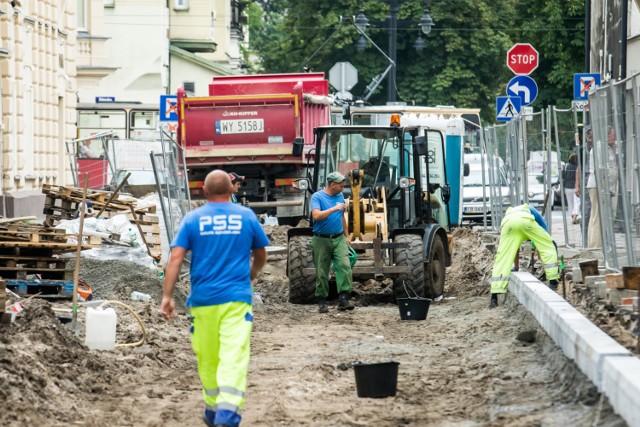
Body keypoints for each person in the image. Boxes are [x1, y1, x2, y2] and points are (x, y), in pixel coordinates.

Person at [160, 170, 269, 427]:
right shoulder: (246, 217)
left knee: (208, 357)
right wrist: (251, 274)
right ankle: (226, 414)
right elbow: (261, 254)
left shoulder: (192, 219)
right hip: (236, 300)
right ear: (232, 189)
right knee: (233, 355)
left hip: (202, 301)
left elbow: (175, 259)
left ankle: (214, 409)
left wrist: (167, 296)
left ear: (204, 192)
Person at [489, 203, 559, 308]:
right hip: (525, 221)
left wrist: (516, 267)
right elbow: (543, 241)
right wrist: (542, 257)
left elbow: (514, 248)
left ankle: (494, 296)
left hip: (508, 223)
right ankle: (553, 281)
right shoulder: (538, 218)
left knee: (502, 257)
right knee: (548, 246)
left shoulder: (514, 211)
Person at [310, 171, 354, 313]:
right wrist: (333, 208)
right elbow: (316, 216)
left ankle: (343, 299)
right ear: (332, 185)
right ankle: (322, 301)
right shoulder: (317, 197)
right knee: (322, 271)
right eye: (341, 186)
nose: (343, 188)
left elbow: (341, 217)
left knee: (344, 266)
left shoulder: (340, 196)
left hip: (338, 238)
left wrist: (347, 236)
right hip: (321, 239)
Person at [587, 126, 618, 248]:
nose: (614, 137)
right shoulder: (600, 148)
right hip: (599, 187)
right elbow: (599, 170)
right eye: (612, 135)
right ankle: (596, 246)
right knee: (597, 216)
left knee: (601, 216)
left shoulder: (608, 148)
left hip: (605, 187)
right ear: (606, 136)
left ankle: (599, 243)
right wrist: (604, 188)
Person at [575, 127, 593, 235]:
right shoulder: (582, 149)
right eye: (588, 134)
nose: (590, 136)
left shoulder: (599, 147)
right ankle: (584, 236)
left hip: (597, 180)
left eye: (591, 133)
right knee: (585, 211)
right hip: (585, 182)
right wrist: (577, 186)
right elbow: (578, 168)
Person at [561, 153, 579, 224]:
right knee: (576, 202)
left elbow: (563, 177)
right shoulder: (577, 167)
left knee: (570, 203)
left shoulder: (565, 166)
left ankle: (571, 217)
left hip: (567, 187)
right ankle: (575, 215)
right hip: (575, 187)